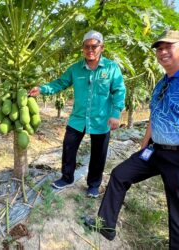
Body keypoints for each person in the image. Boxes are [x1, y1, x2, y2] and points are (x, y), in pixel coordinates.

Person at [83, 30, 179, 249]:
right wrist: (145, 142)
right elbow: (156, 114)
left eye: (168, 46)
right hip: (155, 151)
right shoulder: (162, 82)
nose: (162, 51)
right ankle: (105, 226)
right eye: (159, 48)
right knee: (120, 174)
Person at [28, 30, 126, 197]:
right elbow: (60, 83)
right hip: (78, 118)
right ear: (83, 48)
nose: (90, 50)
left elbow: (119, 90)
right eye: (86, 46)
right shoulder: (75, 69)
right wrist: (42, 89)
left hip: (101, 119)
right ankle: (67, 178)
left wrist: (116, 113)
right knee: (68, 147)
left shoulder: (111, 68)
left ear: (101, 47)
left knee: (98, 154)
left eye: (94, 46)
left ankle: (93, 185)